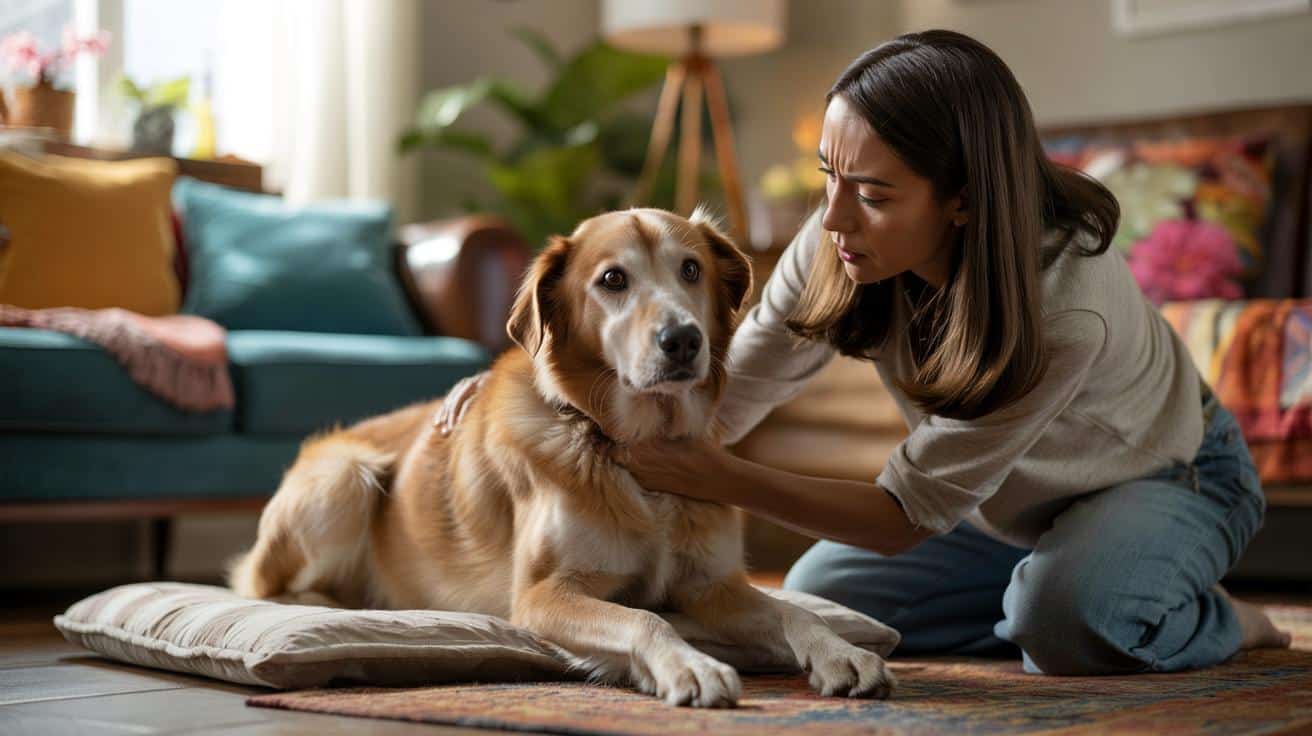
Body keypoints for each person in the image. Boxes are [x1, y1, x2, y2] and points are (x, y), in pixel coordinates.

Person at [437, 29, 1290, 675]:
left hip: (1168, 474)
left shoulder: (1066, 305)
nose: (834, 219)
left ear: (961, 200)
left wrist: (721, 477)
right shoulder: (841, 232)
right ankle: (1067, 589)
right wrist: (545, 385)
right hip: (1001, 508)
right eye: (829, 177)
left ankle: (1194, 611)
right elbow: (741, 385)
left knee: (1066, 622)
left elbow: (902, 514)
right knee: (827, 599)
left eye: (874, 194)